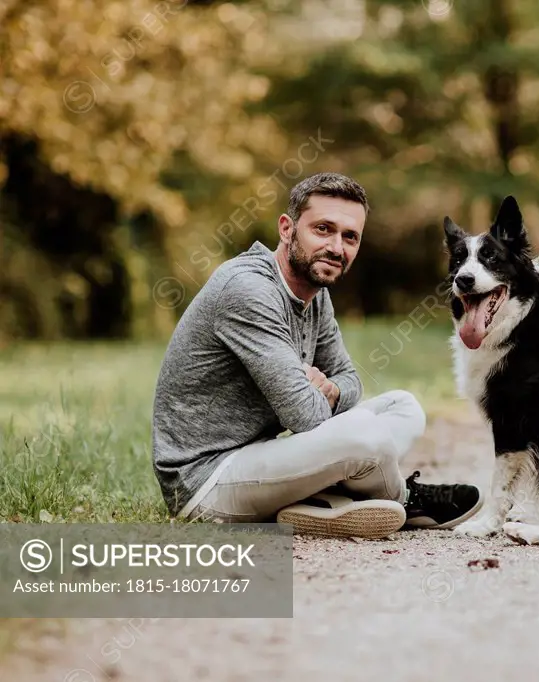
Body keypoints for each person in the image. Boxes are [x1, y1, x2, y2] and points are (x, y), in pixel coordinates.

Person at [150, 172, 482, 538]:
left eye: (350, 237)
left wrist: (331, 390)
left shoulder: (315, 292)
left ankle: (322, 502)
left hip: (262, 457)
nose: (337, 248)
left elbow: (349, 381)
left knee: (403, 407)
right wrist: (313, 397)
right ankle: (403, 499)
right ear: (286, 229)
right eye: (323, 229)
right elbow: (304, 416)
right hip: (205, 482)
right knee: (363, 433)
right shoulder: (248, 290)